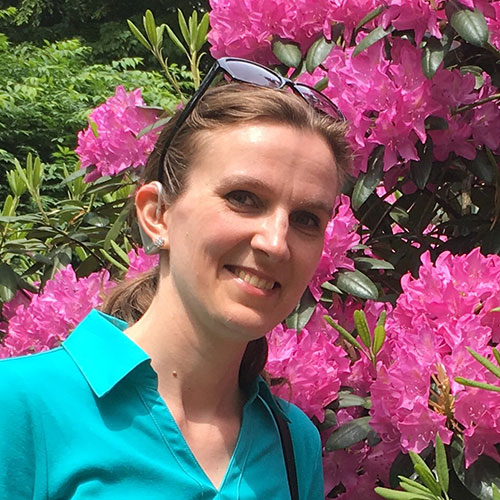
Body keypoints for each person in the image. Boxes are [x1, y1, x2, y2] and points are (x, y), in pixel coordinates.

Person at [0, 57, 349, 499]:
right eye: (243, 198)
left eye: (306, 219)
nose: (275, 243)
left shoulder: (292, 442)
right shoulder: (18, 405)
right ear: (157, 215)